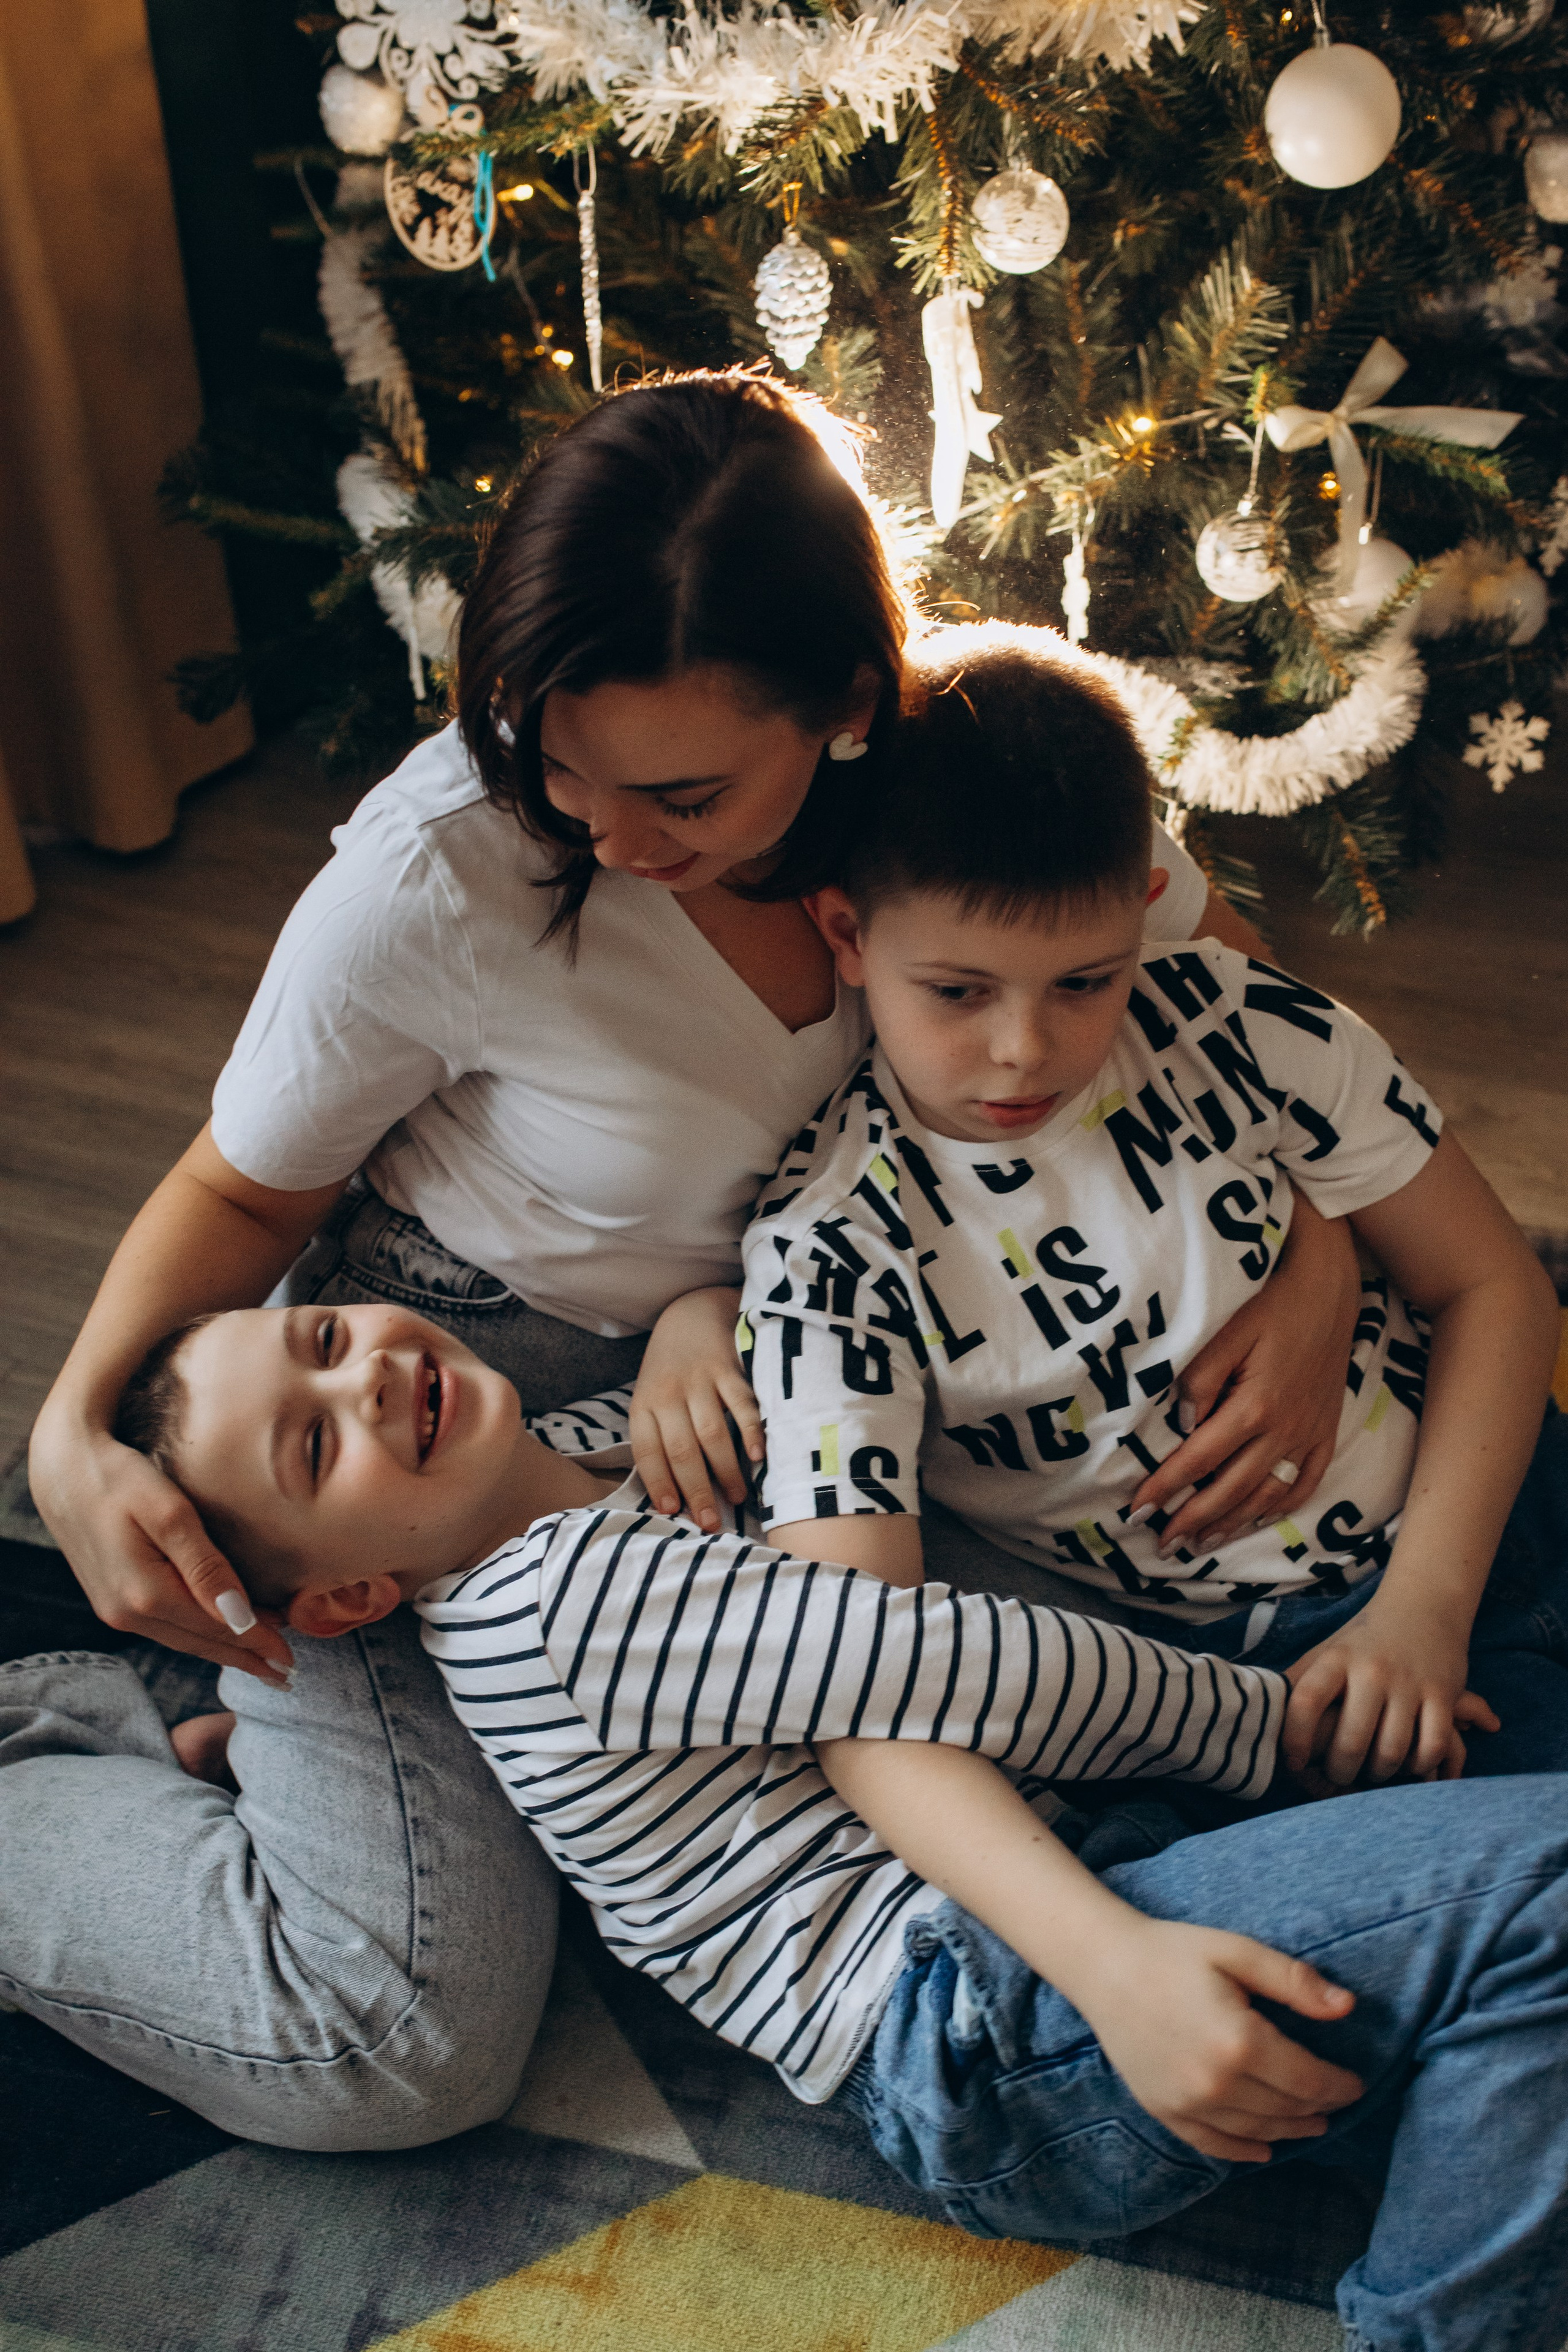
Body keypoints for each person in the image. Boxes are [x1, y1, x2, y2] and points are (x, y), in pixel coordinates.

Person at [19, 374, 1362, 2147]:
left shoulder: (963, 774)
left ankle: (274, 1755)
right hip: (421, 1421)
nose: (603, 837)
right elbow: (243, 1197)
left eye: (678, 792)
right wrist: (66, 1432)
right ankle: (98, 1756)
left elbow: (1234, 1010)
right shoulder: (444, 870)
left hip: (804, 1347)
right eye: (551, 763)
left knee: (1068, 1634)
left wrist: (1323, 1270)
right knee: (397, 2038)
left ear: (852, 710)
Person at [26, 1293, 1568, 2352]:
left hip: (1033, 1941)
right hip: (978, 2029)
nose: (358, 1373)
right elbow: (969, 1669)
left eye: (323, 1332)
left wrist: (698, 1324)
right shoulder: (562, 1596)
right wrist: (1283, 1735)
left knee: (1505, 1974)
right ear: (355, 1594)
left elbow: (754, 1354)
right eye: (315, 1441)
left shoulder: (570, 1458)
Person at [737, 624, 1563, 1791]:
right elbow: (869, 1649)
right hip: (1293, 1671)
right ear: (847, 935)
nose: (1024, 1051)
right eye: (958, 992)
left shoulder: (1244, 1021)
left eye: (1086, 981)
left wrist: (1428, 1601)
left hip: (1503, 1486)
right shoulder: (832, 1255)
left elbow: (1494, 1284)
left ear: (1148, 903)